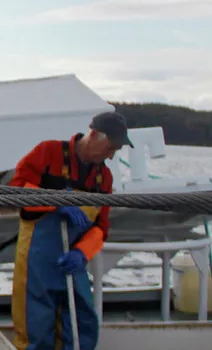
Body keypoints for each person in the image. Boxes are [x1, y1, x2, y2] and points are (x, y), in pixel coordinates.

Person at [9, 111, 133, 350]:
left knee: (82, 323)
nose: (112, 154)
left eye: (116, 150)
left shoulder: (104, 178)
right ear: (94, 134)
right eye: (110, 147)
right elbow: (17, 189)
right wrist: (56, 202)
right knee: (35, 326)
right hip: (37, 260)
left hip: (72, 262)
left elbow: (101, 228)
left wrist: (81, 254)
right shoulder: (48, 152)